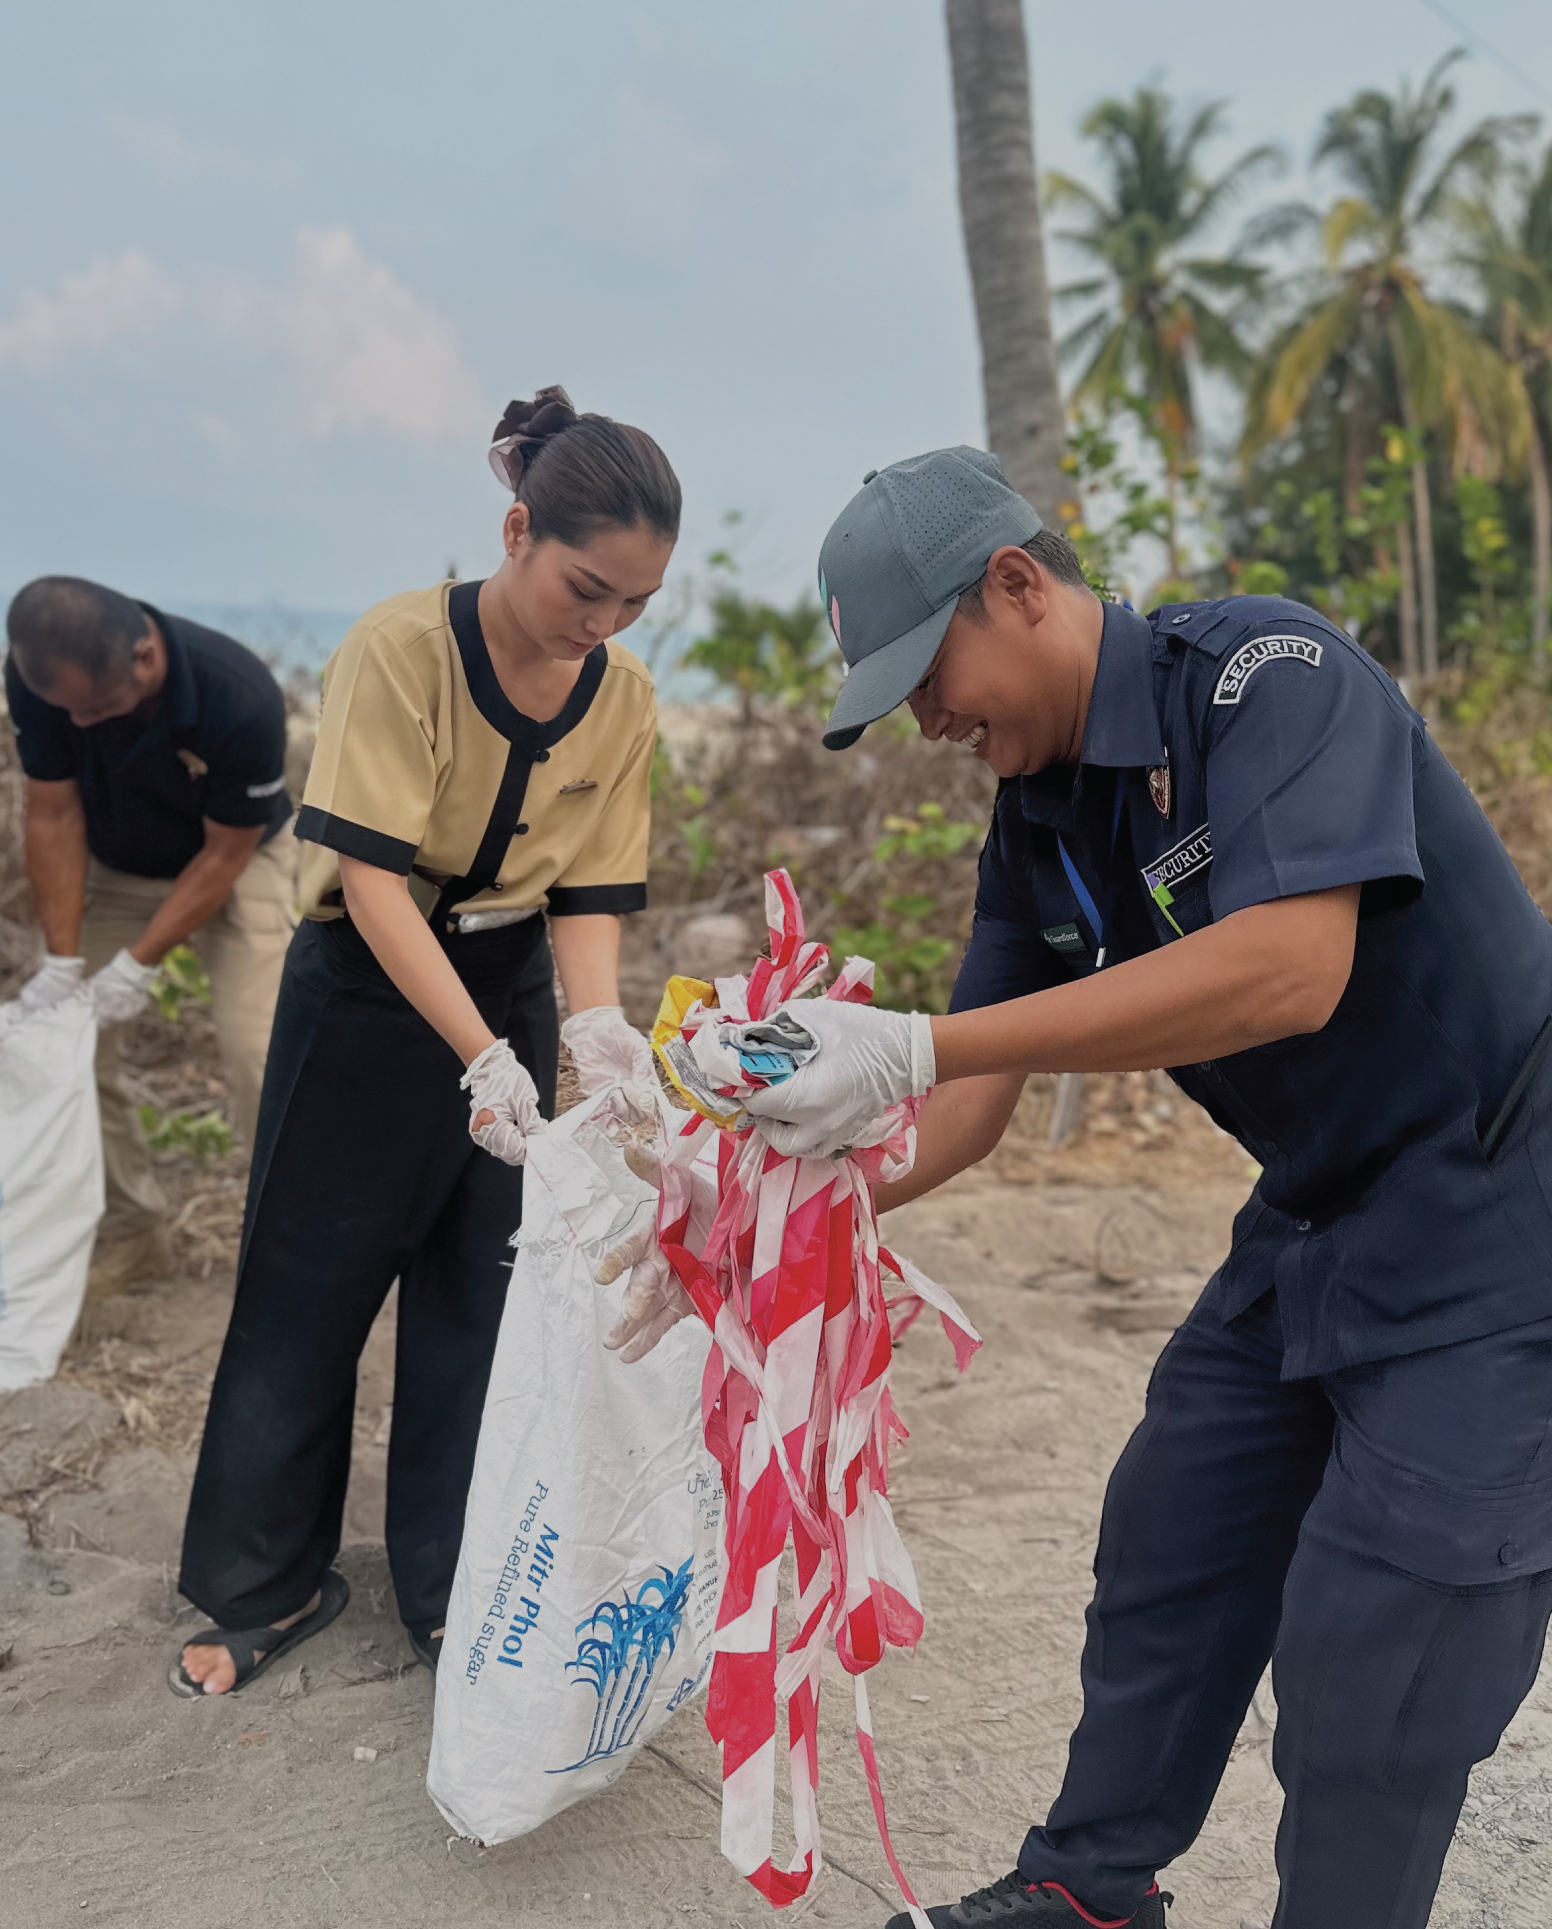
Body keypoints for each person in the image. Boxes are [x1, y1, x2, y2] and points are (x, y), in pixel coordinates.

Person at [655, 446, 1549, 1929]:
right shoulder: (1038, 820)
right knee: (1171, 1533)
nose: (929, 722)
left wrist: (913, 1044)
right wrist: (752, 1199)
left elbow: (1288, 968)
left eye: (927, 676)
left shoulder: (1266, 677)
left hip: (1501, 1209)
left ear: (1016, 584)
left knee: (1378, 1662)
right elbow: (962, 1107)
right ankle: (1088, 1893)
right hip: (1320, 1208)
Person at [170, 387, 676, 1697]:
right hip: (368, 988)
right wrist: (477, 1057)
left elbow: (590, 889)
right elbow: (374, 880)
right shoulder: (400, 647)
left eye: (634, 602)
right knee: (306, 1285)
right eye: (585, 588)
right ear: (516, 532)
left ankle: (456, 1589)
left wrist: (597, 1028)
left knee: (482, 1301)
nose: (603, 624)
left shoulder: (622, 695)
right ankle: (263, 1585)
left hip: (512, 983)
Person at [4, 577, 300, 1293]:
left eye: (96, 708)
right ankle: (134, 1232)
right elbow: (52, 815)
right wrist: (61, 962)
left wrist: (139, 964)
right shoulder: (45, 681)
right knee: (68, 1046)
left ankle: (296, 1246)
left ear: (144, 656)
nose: (79, 723)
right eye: (67, 711)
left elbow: (225, 855)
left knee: (261, 1048)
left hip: (239, 859)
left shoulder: (239, 695)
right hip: (119, 864)